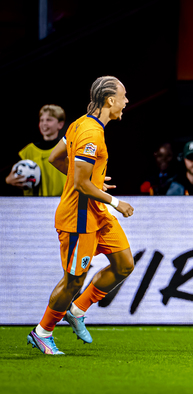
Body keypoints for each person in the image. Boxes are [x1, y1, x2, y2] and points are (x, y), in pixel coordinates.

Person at [27, 76, 135, 355]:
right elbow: (80, 183)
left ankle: (78, 310)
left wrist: (92, 184)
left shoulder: (81, 124)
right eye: (123, 96)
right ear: (110, 101)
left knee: (124, 264)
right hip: (79, 218)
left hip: (96, 214)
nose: (126, 101)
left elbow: (55, 158)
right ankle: (43, 331)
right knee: (73, 280)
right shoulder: (90, 133)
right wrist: (115, 202)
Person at [5, 105, 67, 196]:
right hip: (32, 206)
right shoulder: (27, 151)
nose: (44, 123)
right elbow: (9, 178)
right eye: (42, 120)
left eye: (49, 120)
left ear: (60, 124)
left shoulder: (67, 150)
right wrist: (8, 180)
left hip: (61, 204)